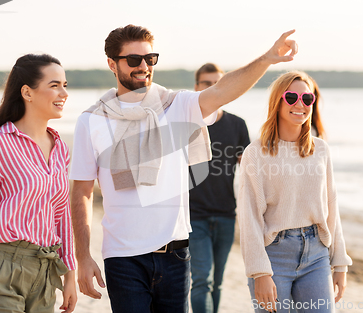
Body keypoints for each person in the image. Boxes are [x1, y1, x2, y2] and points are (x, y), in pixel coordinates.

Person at [69, 24, 298, 313]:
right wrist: (82, 257)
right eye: (134, 60)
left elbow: (224, 90)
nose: (144, 66)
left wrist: (266, 59)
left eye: (150, 58)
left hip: (176, 257)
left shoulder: (176, 105)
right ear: (112, 64)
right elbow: (81, 193)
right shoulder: (91, 121)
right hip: (123, 258)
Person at [0, 54, 77, 313]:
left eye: (65, 85)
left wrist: (70, 274)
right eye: (54, 85)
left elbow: (61, 215)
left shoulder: (60, 149)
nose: (64, 93)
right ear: (27, 92)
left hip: (44, 271)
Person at [238, 71, 351, 313]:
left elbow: (331, 206)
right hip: (273, 256)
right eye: (291, 97)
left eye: (307, 99)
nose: (300, 104)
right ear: (277, 101)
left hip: (317, 256)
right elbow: (249, 216)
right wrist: (260, 272)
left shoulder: (321, 150)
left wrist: (340, 262)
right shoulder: (256, 152)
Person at [188, 63, 250, 313]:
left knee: (218, 283)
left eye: (219, 83)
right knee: (202, 280)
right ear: (196, 88)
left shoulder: (237, 125)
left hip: (226, 215)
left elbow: (251, 171)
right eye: (207, 84)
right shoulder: (187, 124)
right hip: (194, 216)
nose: (214, 89)